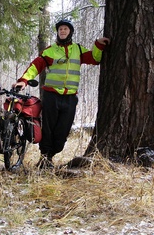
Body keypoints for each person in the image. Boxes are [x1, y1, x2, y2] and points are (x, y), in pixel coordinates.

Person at [13, 19, 110, 169]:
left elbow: (95, 59)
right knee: (48, 129)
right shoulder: (50, 50)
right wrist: (24, 80)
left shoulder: (78, 49)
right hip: (51, 96)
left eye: (65, 29)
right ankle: (45, 159)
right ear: (58, 32)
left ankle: (53, 153)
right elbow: (35, 66)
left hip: (70, 98)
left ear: (70, 31)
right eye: (60, 29)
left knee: (63, 131)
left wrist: (98, 44)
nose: (62, 31)